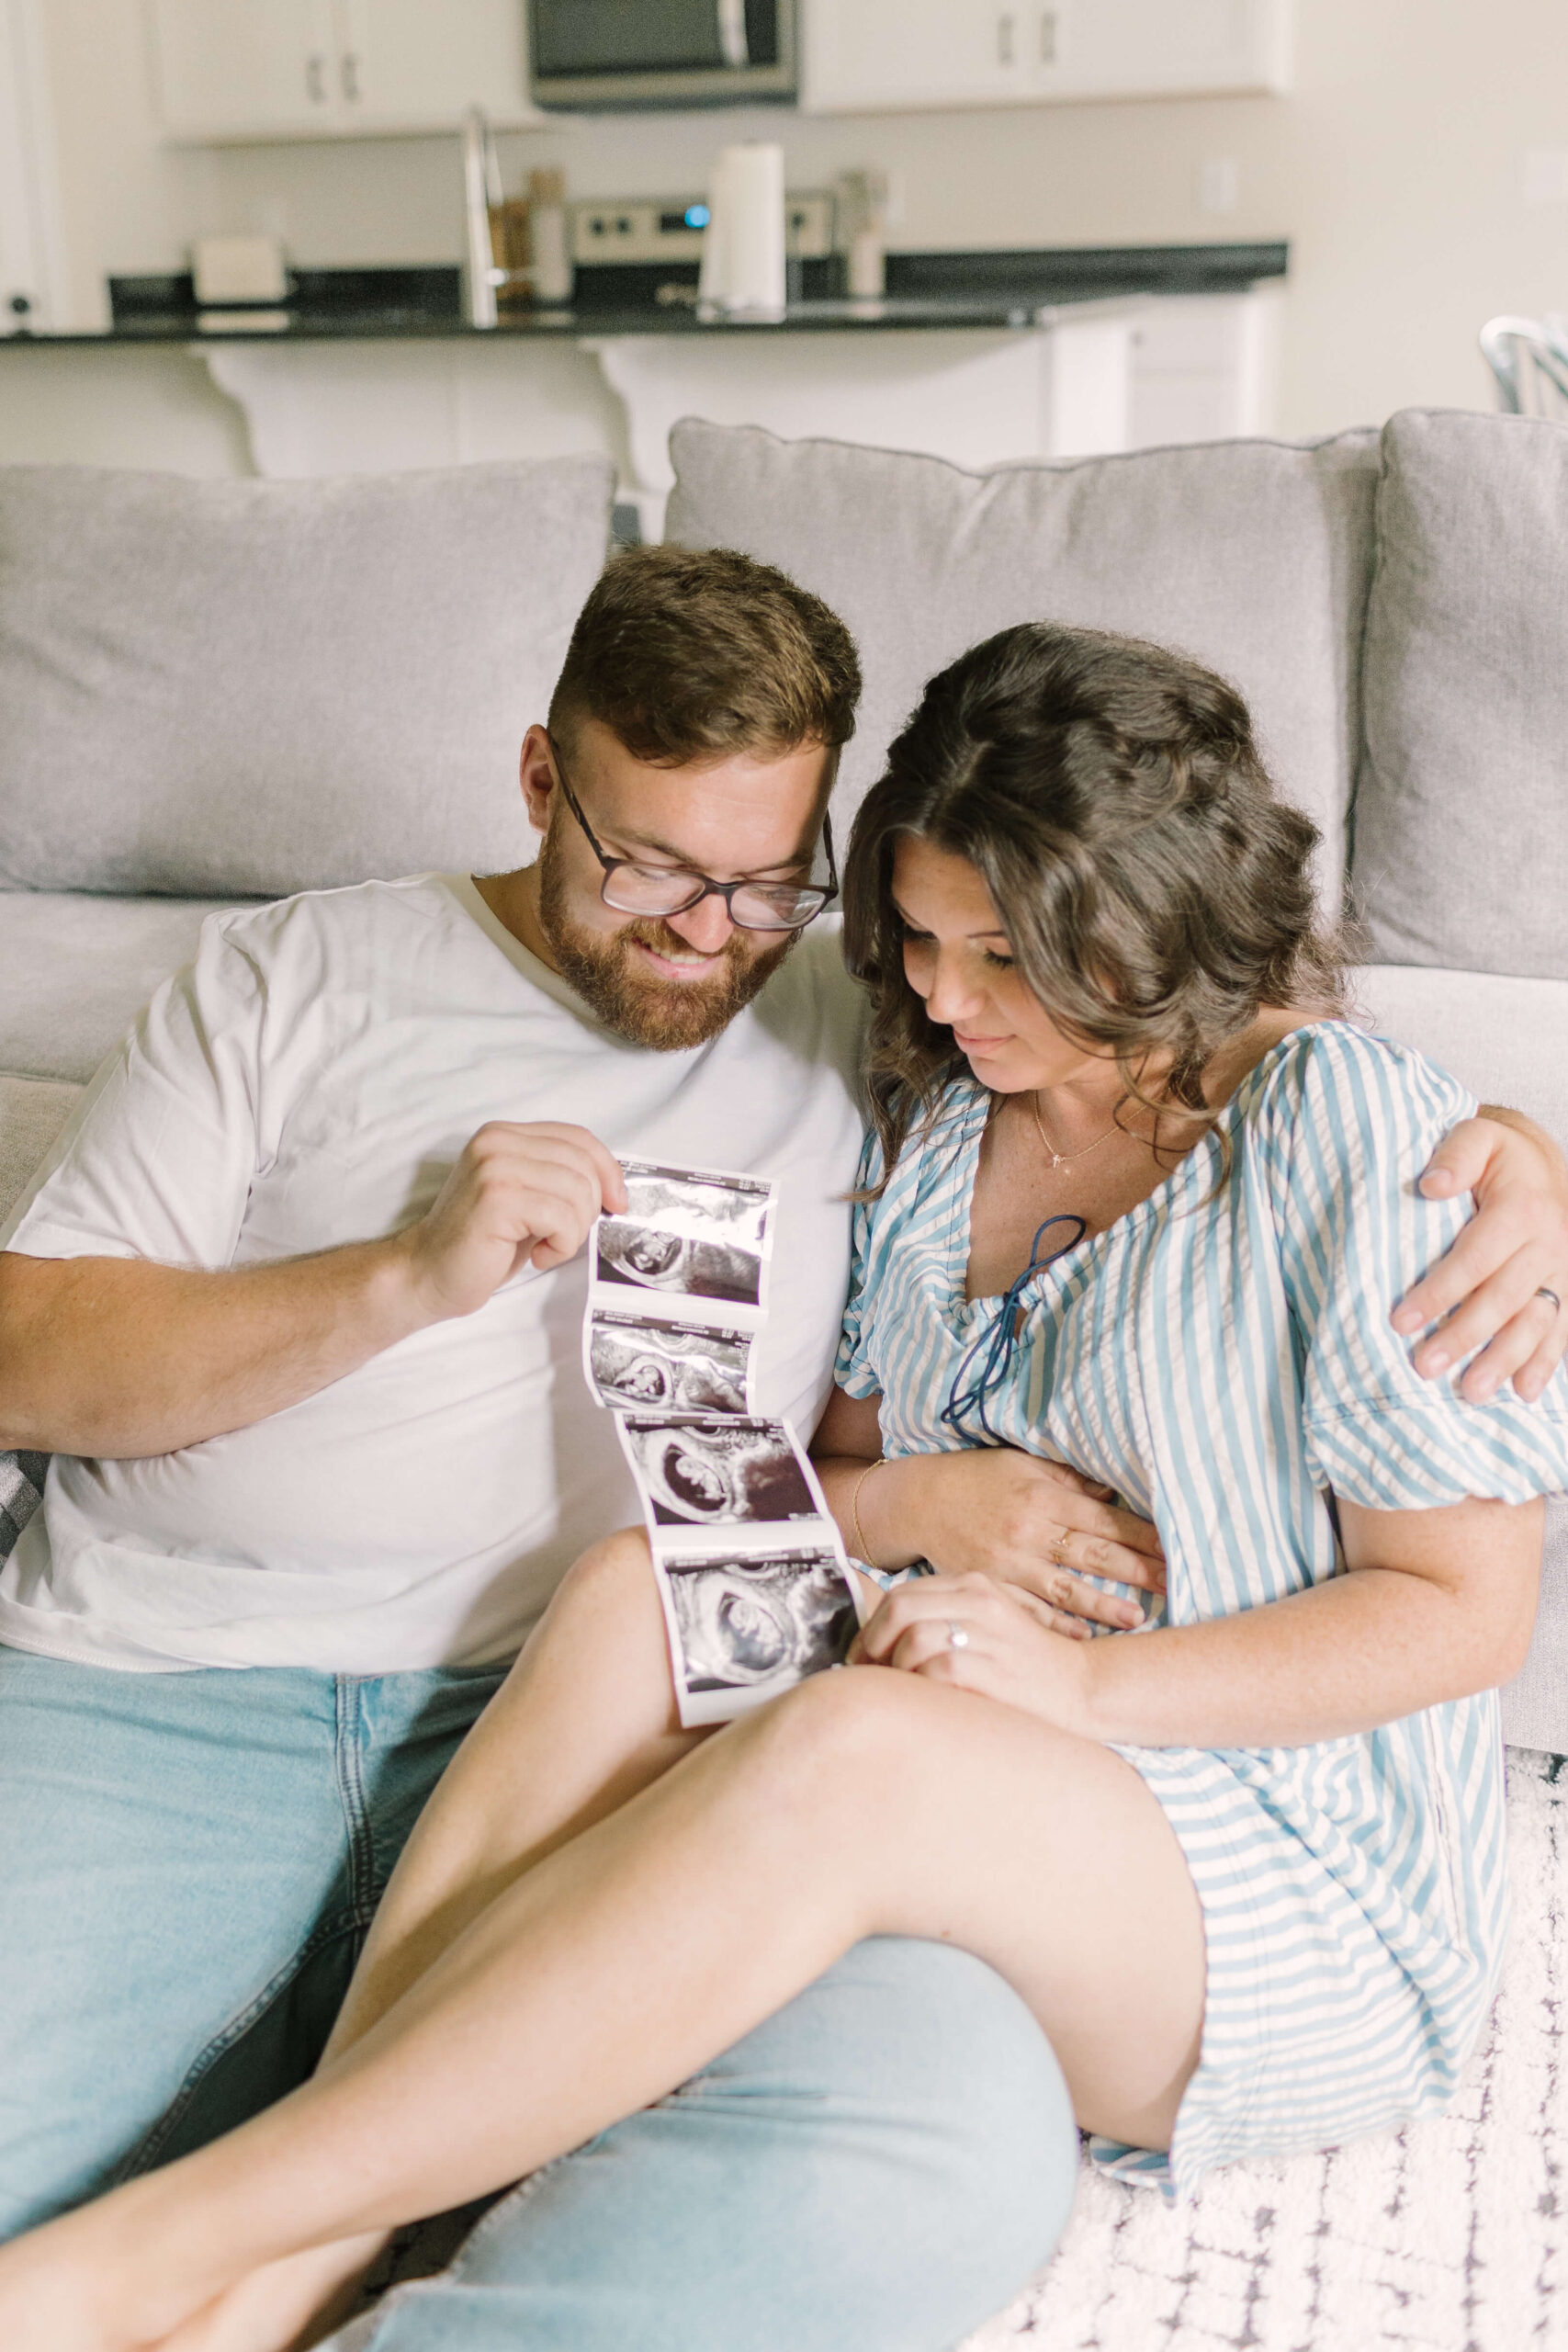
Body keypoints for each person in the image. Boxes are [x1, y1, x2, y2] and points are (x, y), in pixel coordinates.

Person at [5, 619, 1566, 2352]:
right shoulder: (946, 1112)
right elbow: (841, 1467)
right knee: (632, 1594)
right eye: (918, 938)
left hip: (1276, 1853)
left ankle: (162, 2256)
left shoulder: (1350, 1128)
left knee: (848, 1753)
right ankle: (303, 2255)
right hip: (980, 1727)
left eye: (1008, 955)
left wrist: (1079, 1681)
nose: (951, 995)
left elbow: (1464, 1616)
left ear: (1149, 925)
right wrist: (917, 1515)